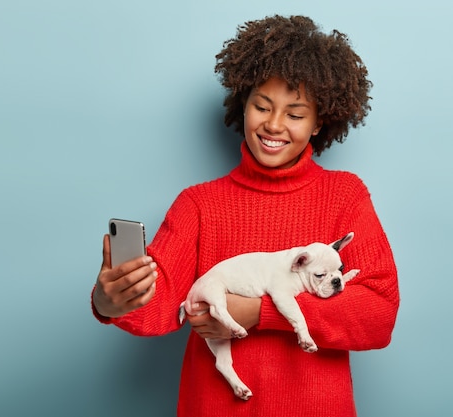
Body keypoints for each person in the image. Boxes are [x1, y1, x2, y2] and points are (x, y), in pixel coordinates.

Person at [91, 14, 399, 417]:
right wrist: (110, 301)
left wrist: (259, 312)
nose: (273, 125)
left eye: (295, 113)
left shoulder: (345, 196)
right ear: (243, 104)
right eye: (262, 105)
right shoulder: (198, 203)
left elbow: (378, 314)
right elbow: (164, 302)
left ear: (319, 122)